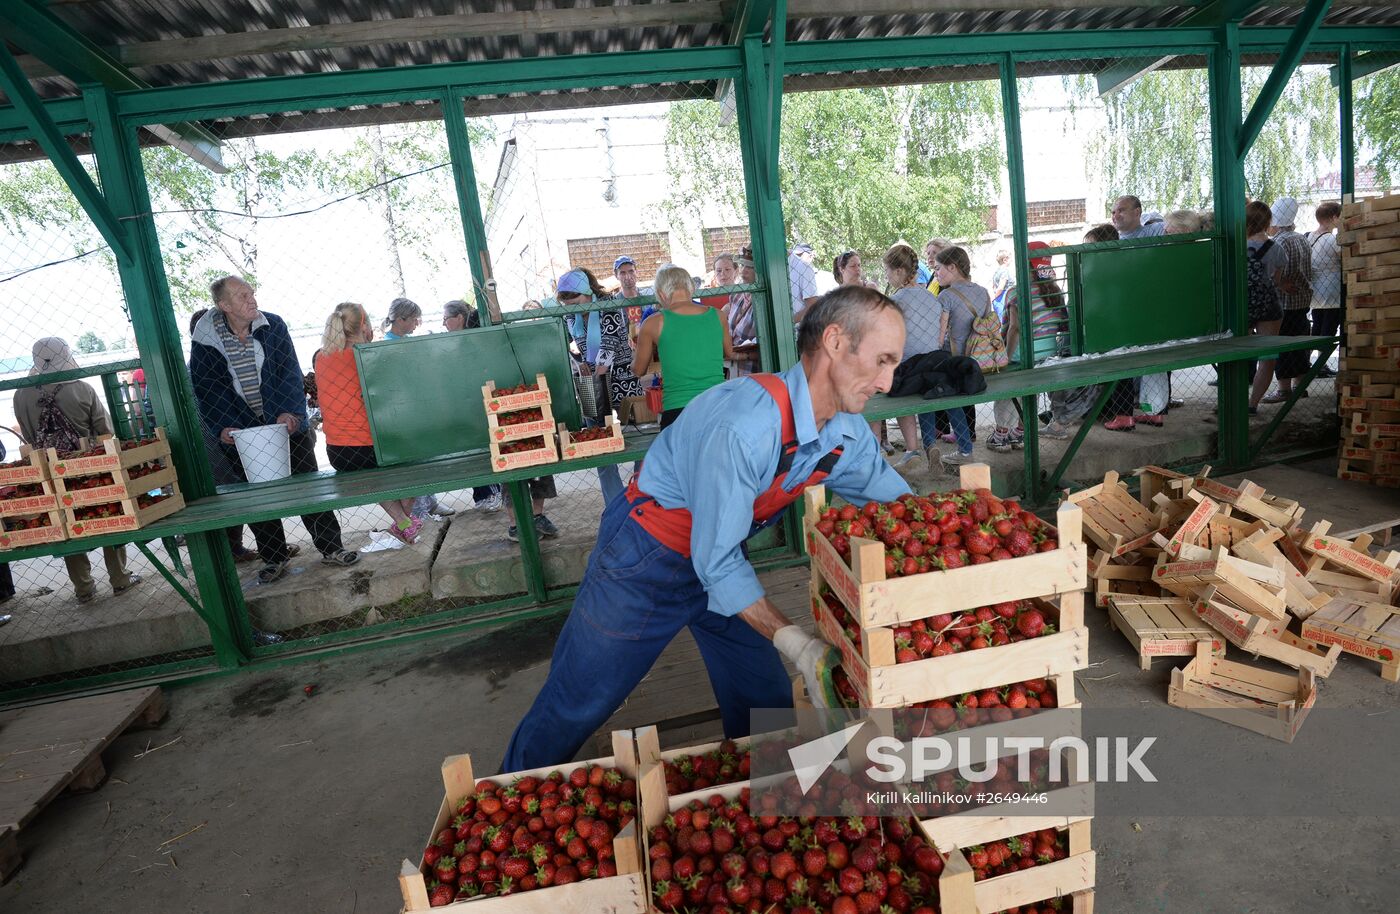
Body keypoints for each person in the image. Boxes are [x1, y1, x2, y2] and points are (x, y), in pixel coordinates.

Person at [502, 286, 913, 769]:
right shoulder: (744, 427)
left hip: (722, 560)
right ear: (836, 342)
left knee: (765, 702)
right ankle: (500, 808)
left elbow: (904, 512)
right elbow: (714, 561)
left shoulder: (845, 434)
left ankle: (763, 807)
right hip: (646, 558)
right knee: (581, 699)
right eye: (882, 361)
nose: (888, 382)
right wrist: (794, 641)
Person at [190, 277, 360, 584]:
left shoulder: (274, 326)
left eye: (252, 294)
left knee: (308, 487)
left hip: (286, 424)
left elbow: (288, 373)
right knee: (258, 498)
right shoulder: (204, 341)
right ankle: (273, 556)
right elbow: (208, 389)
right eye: (242, 297)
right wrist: (223, 426)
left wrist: (290, 412)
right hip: (242, 433)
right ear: (224, 305)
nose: (252, 300)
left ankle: (332, 547)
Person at [14, 338, 141, 604]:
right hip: (87, 467)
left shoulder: (21, 394)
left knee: (66, 523)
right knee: (107, 515)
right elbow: (105, 430)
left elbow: (27, 435)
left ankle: (83, 587)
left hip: (49, 471)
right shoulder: (82, 389)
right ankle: (119, 578)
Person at [315, 303, 423, 544]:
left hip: (338, 453)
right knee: (421, 460)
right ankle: (405, 520)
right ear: (363, 326)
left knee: (371, 476)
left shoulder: (320, 358)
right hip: (374, 447)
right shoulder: (368, 356)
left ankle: (404, 523)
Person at [560, 267, 639, 505]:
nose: (571, 306)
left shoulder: (609, 305)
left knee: (637, 434)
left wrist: (598, 372)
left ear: (587, 292)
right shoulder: (570, 315)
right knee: (599, 443)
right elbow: (572, 346)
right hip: (593, 380)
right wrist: (581, 364)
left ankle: (640, 494)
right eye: (567, 303)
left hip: (623, 377)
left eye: (575, 300)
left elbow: (611, 342)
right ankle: (615, 503)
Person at [633, 265, 742, 429]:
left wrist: (633, 361)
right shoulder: (718, 316)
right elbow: (729, 352)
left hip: (678, 410)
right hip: (718, 405)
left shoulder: (654, 323)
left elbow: (639, 370)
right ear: (690, 288)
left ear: (661, 294)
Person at [993, 241, 1071, 448]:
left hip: (1021, 355)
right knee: (1031, 392)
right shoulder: (1054, 293)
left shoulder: (1016, 292)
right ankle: (1021, 432)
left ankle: (1001, 436)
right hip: (1045, 356)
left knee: (1007, 392)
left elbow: (1014, 329)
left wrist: (1006, 357)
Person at [883, 242, 947, 474]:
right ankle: (930, 445)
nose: (886, 276)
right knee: (923, 395)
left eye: (887, 271)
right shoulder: (931, 297)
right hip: (934, 365)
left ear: (899, 271)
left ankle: (912, 449)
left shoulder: (896, 300)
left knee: (896, 390)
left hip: (908, 369)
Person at [930, 246, 991, 467]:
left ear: (952, 267)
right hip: (978, 358)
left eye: (938, 269)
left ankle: (962, 448)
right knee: (968, 400)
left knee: (951, 401)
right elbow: (989, 325)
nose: (936, 274)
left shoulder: (946, 295)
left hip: (954, 359)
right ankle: (965, 441)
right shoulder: (983, 291)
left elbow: (940, 332)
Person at [443, 299, 504, 513]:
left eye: (446, 319)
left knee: (485, 444)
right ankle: (485, 494)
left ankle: (492, 492)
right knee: (472, 447)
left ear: (459, 318)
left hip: (479, 398)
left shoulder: (474, 336)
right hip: (465, 402)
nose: (444, 324)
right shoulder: (453, 342)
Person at [1260, 197, 1314, 404]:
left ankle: (1283, 390)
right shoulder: (1301, 238)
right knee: (1301, 345)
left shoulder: (1279, 242)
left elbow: (1276, 274)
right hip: (1302, 300)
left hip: (1284, 303)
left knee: (1282, 347)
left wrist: (1279, 283)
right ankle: (1300, 386)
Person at [1245, 200, 1286, 413]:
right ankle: (1252, 404)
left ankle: (1232, 399)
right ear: (1268, 221)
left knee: (1235, 353)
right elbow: (1277, 282)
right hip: (1269, 307)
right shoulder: (1276, 247)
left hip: (1242, 305)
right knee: (1267, 358)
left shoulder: (1236, 246)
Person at [1308, 201, 1342, 377]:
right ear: (1334, 217)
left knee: (1317, 328)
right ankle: (1321, 364)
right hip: (1332, 291)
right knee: (1329, 330)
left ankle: (1311, 363)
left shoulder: (1310, 237)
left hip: (1316, 291)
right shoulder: (1333, 239)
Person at [788, 243, 820, 325]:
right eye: (798, 254)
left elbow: (813, 306)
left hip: (798, 332)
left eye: (801, 254)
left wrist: (786, 323)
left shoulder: (804, 267)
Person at [990, 249, 1014, 318]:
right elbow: (1000, 287)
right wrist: (995, 298)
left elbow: (993, 286)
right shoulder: (1005, 271)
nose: (1011, 260)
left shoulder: (997, 271)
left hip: (999, 299)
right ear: (1005, 260)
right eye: (1010, 258)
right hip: (1003, 299)